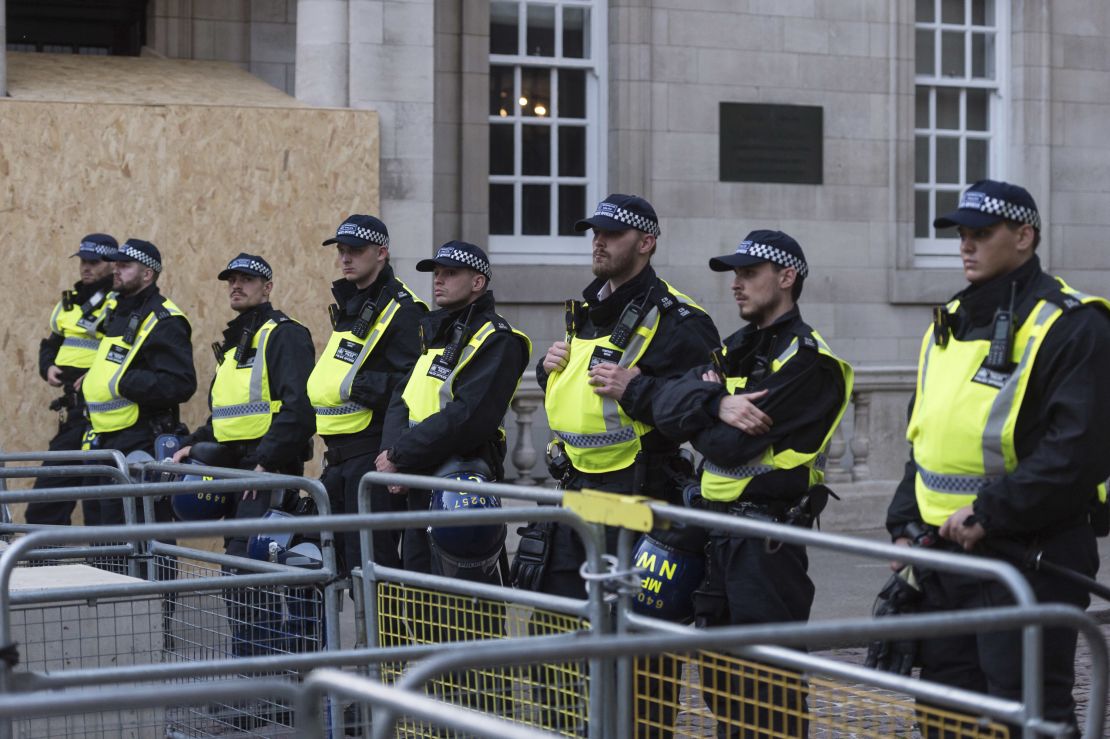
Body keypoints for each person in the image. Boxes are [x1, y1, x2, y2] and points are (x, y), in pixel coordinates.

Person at [883, 179, 1110, 736]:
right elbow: (925, 436)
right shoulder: (950, 320)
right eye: (961, 235)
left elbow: (1076, 452)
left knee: (1027, 715)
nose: (966, 245)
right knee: (945, 713)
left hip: (1029, 554)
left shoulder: (1072, 324)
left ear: (1024, 236)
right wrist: (904, 524)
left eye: (981, 234)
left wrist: (990, 514)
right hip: (946, 555)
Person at [650, 229, 853, 739]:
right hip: (718, 537)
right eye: (734, 275)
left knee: (767, 695)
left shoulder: (807, 361)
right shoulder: (736, 348)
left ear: (786, 277)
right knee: (721, 684)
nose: (736, 285)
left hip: (767, 548)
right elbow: (667, 410)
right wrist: (714, 405)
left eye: (748, 273)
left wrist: (699, 410)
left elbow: (729, 447)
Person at [522, 193, 720, 598]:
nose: (599, 242)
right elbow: (588, 392)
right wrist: (549, 371)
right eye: (596, 233)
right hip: (576, 486)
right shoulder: (589, 309)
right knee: (561, 617)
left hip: (635, 491)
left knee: (626, 627)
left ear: (645, 242)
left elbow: (700, 409)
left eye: (612, 234)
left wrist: (636, 389)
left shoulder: (679, 320)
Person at [376, 240, 530, 580]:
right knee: (422, 599)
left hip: (461, 488)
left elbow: (468, 417)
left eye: (450, 273)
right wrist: (394, 454)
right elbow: (403, 398)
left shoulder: (498, 338)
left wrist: (401, 455)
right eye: (437, 273)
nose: (438, 280)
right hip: (420, 478)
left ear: (477, 283)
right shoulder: (439, 332)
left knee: (466, 607)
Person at [306, 215, 427, 577]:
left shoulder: (404, 310)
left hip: (371, 456)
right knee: (340, 565)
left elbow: (411, 385)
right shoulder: (353, 304)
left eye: (356, 251)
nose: (346, 258)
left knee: (375, 568)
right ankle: (363, 636)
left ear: (381, 253)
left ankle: (384, 637)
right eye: (342, 250)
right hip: (339, 459)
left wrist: (360, 385)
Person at [172, 253, 315, 558]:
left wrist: (265, 462)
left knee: (247, 564)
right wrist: (193, 444)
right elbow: (225, 414)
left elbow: (300, 409)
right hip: (235, 469)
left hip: (267, 469)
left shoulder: (283, 334)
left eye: (247, 280)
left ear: (268, 287)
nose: (236, 286)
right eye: (232, 280)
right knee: (238, 561)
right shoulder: (237, 342)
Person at [81, 238, 197, 526]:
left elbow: (180, 383)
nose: (116, 270)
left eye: (125, 265)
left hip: (140, 440)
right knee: (105, 540)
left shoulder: (164, 319)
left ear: (148, 274)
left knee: (142, 539)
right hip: (106, 440)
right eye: (116, 264)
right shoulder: (120, 311)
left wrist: (123, 381)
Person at [30, 234, 118, 526]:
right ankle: (46, 568)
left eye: (94, 261)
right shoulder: (71, 301)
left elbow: (123, 353)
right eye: (83, 261)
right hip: (71, 411)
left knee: (99, 507)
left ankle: (103, 570)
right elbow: (52, 342)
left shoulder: (118, 303)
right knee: (45, 504)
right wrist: (48, 367)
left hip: (99, 413)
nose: (86, 267)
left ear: (111, 264)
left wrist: (94, 376)